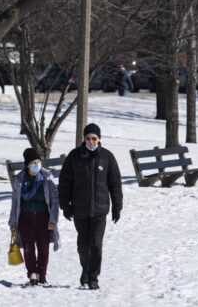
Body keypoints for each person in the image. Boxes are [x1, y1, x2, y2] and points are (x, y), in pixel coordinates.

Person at [58, 123, 123, 290]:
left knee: (95, 244)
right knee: (83, 244)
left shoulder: (107, 157)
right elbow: (65, 182)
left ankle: (93, 277)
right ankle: (85, 270)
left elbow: (115, 183)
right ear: (84, 139)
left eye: (94, 138)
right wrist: (65, 205)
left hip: (100, 210)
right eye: (88, 138)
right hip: (80, 208)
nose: (91, 141)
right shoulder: (74, 156)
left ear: (99, 139)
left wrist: (117, 206)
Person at [8, 148, 61, 286]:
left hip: (43, 216)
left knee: (43, 247)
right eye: (33, 162)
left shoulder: (47, 177)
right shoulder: (20, 179)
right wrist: (13, 222)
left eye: (38, 161)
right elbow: (15, 202)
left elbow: (54, 201)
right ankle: (32, 273)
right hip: (25, 217)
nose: (36, 164)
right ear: (27, 165)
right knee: (28, 246)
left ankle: (42, 274)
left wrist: (53, 220)